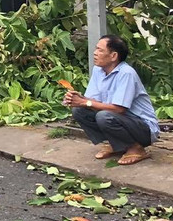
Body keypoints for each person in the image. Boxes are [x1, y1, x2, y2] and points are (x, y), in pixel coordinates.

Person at [64, 35, 158, 166]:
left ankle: (136, 148)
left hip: (143, 128)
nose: (95, 53)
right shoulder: (98, 70)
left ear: (113, 56)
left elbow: (119, 109)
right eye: (96, 49)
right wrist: (79, 99)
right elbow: (93, 101)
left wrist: (85, 102)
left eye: (100, 50)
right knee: (79, 110)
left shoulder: (126, 73)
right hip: (120, 119)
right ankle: (116, 144)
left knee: (104, 116)